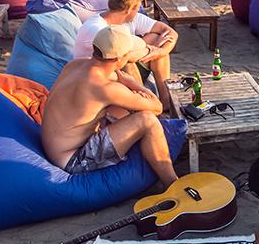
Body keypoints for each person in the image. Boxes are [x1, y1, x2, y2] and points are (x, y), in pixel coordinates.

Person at [42, 25, 178, 187]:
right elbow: (157, 107)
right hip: (73, 160)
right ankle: (172, 183)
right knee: (147, 120)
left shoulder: (75, 65)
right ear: (119, 59)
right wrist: (134, 84)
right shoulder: (104, 88)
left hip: (55, 146)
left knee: (120, 108)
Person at [72, 0, 178, 109]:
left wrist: (162, 51)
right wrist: (150, 49)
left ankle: (166, 103)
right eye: (137, 8)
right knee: (127, 60)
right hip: (99, 76)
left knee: (156, 39)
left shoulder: (131, 19)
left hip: (117, 63)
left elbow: (170, 32)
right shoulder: (98, 29)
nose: (138, 11)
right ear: (128, 9)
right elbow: (124, 54)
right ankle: (143, 107)